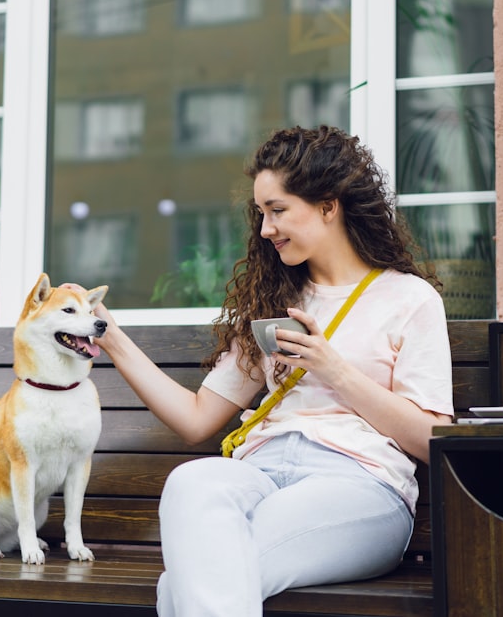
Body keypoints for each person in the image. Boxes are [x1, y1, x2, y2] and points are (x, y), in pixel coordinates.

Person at [75, 125, 453, 616]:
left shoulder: (408, 299)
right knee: (192, 484)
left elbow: (434, 439)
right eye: (261, 214)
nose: (265, 229)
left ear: (328, 205)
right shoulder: (278, 302)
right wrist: (110, 335)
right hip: (260, 472)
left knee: (188, 584)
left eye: (277, 211)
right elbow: (197, 419)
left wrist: (333, 370)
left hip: (359, 485)